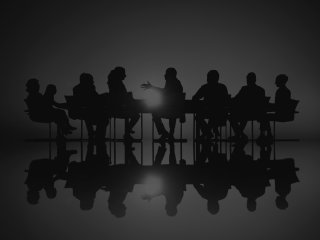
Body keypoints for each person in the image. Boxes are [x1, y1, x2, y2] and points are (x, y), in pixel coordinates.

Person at [141, 67, 184, 140]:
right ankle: (170, 134)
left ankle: (164, 133)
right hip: (176, 111)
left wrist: (152, 87)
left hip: (169, 109)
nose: (164, 75)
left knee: (155, 113)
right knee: (172, 114)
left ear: (170, 75)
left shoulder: (171, 82)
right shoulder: (177, 83)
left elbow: (165, 92)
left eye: (166, 74)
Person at [230, 72, 269, 141]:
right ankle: (240, 134)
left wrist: (229, 100)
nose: (247, 81)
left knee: (232, 117)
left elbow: (236, 99)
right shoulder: (261, 90)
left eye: (248, 79)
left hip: (246, 113)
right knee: (263, 114)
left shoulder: (244, 89)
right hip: (257, 113)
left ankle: (239, 134)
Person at [192, 70, 229, 139]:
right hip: (221, 114)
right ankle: (210, 130)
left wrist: (202, 103)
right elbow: (227, 101)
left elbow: (195, 98)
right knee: (213, 115)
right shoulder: (222, 87)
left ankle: (207, 132)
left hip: (209, 112)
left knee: (198, 117)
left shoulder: (205, 87)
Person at [73, 73, 108, 140]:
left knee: (89, 115)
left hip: (82, 111)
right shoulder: (90, 87)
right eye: (92, 80)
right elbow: (95, 98)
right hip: (91, 111)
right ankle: (99, 136)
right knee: (104, 117)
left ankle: (92, 134)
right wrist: (103, 96)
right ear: (88, 80)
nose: (93, 81)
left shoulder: (76, 88)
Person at [107, 67, 140, 139]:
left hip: (118, 107)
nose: (125, 75)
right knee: (136, 115)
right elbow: (120, 96)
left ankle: (127, 133)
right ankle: (127, 132)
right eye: (123, 74)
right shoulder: (117, 83)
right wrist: (128, 96)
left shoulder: (113, 82)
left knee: (131, 113)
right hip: (119, 108)